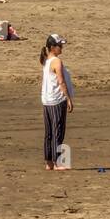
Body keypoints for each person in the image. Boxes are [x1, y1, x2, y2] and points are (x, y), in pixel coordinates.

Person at [40, 35, 74, 171]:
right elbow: (61, 82)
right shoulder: (56, 61)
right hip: (56, 100)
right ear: (53, 47)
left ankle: (49, 162)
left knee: (49, 132)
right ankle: (57, 162)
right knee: (57, 131)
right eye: (60, 45)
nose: (62, 47)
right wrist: (69, 98)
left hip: (47, 100)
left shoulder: (46, 60)